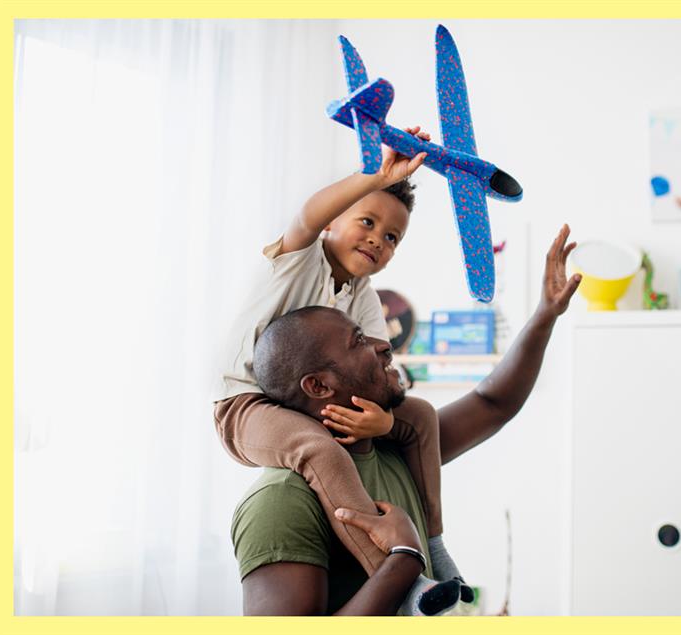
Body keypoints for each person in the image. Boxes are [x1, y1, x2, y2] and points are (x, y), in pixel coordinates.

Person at [230, 226, 581, 615]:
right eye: (359, 341)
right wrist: (403, 560)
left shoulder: (399, 449)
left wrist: (546, 315)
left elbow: (494, 403)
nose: (384, 344)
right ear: (318, 386)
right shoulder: (283, 498)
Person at [213, 126, 465, 615]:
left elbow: (380, 369)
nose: (377, 239)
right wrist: (375, 174)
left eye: (391, 237)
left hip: (309, 402)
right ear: (334, 221)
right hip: (246, 405)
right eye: (366, 222)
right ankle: (397, 575)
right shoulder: (298, 260)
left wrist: (389, 421)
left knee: (420, 413)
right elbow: (308, 216)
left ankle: (434, 548)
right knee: (317, 449)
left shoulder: (362, 297)